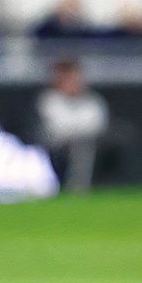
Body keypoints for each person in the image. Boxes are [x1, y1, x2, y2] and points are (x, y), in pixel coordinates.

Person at [37, 57, 110, 194]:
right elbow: (57, 127)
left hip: (88, 143)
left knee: (82, 145)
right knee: (78, 144)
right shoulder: (50, 100)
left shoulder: (92, 100)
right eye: (68, 79)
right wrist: (77, 130)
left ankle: (78, 188)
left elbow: (97, 124)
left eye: (75, 78)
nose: (72, 82)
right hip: (56, 144)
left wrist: (78, 131)